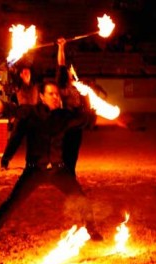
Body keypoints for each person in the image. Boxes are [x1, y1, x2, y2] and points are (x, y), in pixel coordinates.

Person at [0, 80, 103, 254]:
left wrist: (98, 103)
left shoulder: (65, 115)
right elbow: (5, 107)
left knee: (81, 199)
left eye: (57, 94)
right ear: (42, 96)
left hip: (58, 170)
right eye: (51, 94)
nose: (56, 97)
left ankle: (92, 230)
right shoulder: (31, 113)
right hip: (35, 170)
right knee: (11, 204)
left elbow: (89, 118)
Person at [56, 38, 97, 176]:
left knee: (74, 150)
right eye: (68, 71)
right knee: (67, 150)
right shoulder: (63, 86)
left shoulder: (77, 86)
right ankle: (65, 172)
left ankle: (70, 172)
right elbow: (61, 64)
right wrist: (61, 47)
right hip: (67, 121)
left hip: (77, 121)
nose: (70, 72)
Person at [0, 64, 40, 170]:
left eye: (28, 73)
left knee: (34, 141)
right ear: (21, 75)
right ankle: (5, 162)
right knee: (14, 140)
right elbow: (3, 88)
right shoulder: (17, 86)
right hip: (21, 115)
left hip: (33, 115)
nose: (27, 75)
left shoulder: (36, 85)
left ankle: (32, 163)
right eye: (25, 73)